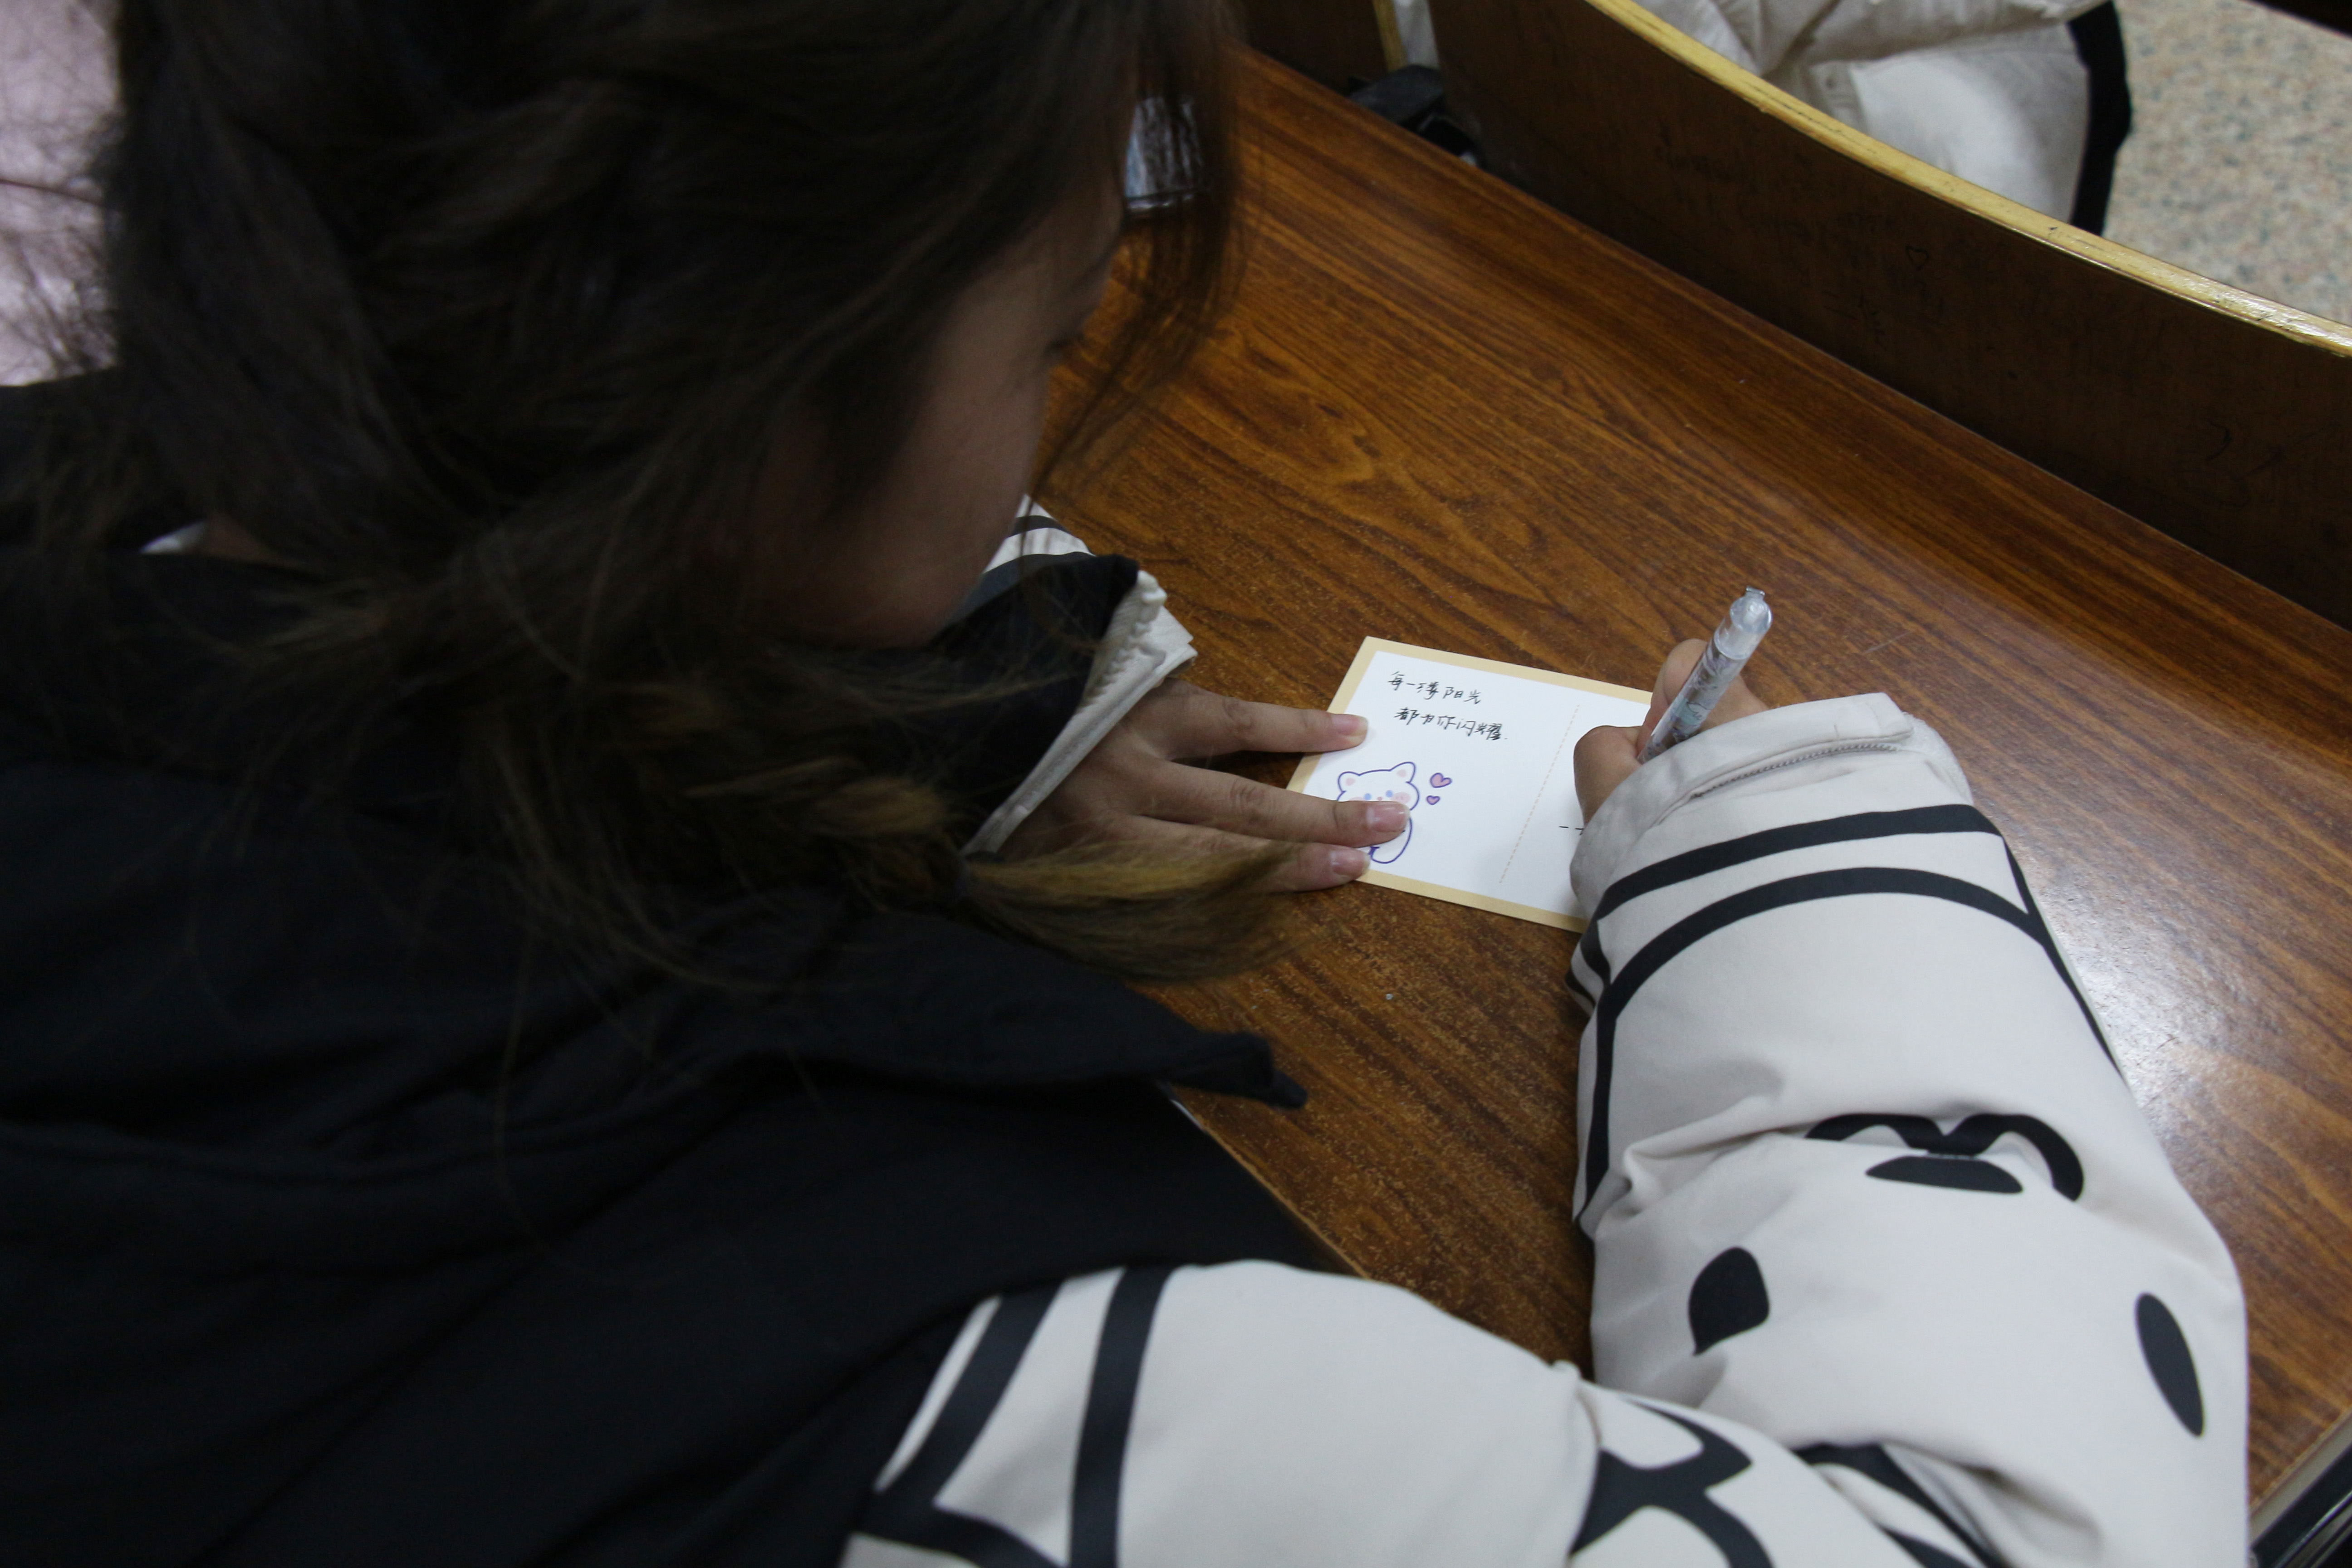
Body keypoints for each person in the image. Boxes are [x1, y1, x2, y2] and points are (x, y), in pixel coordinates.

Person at [0, 3, 2240, 1567]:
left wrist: (933, 702)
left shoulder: (110, 503)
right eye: (1058, 327)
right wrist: (1787, 857)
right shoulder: (948, 1377)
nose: (1046, 435)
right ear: (746, 414)